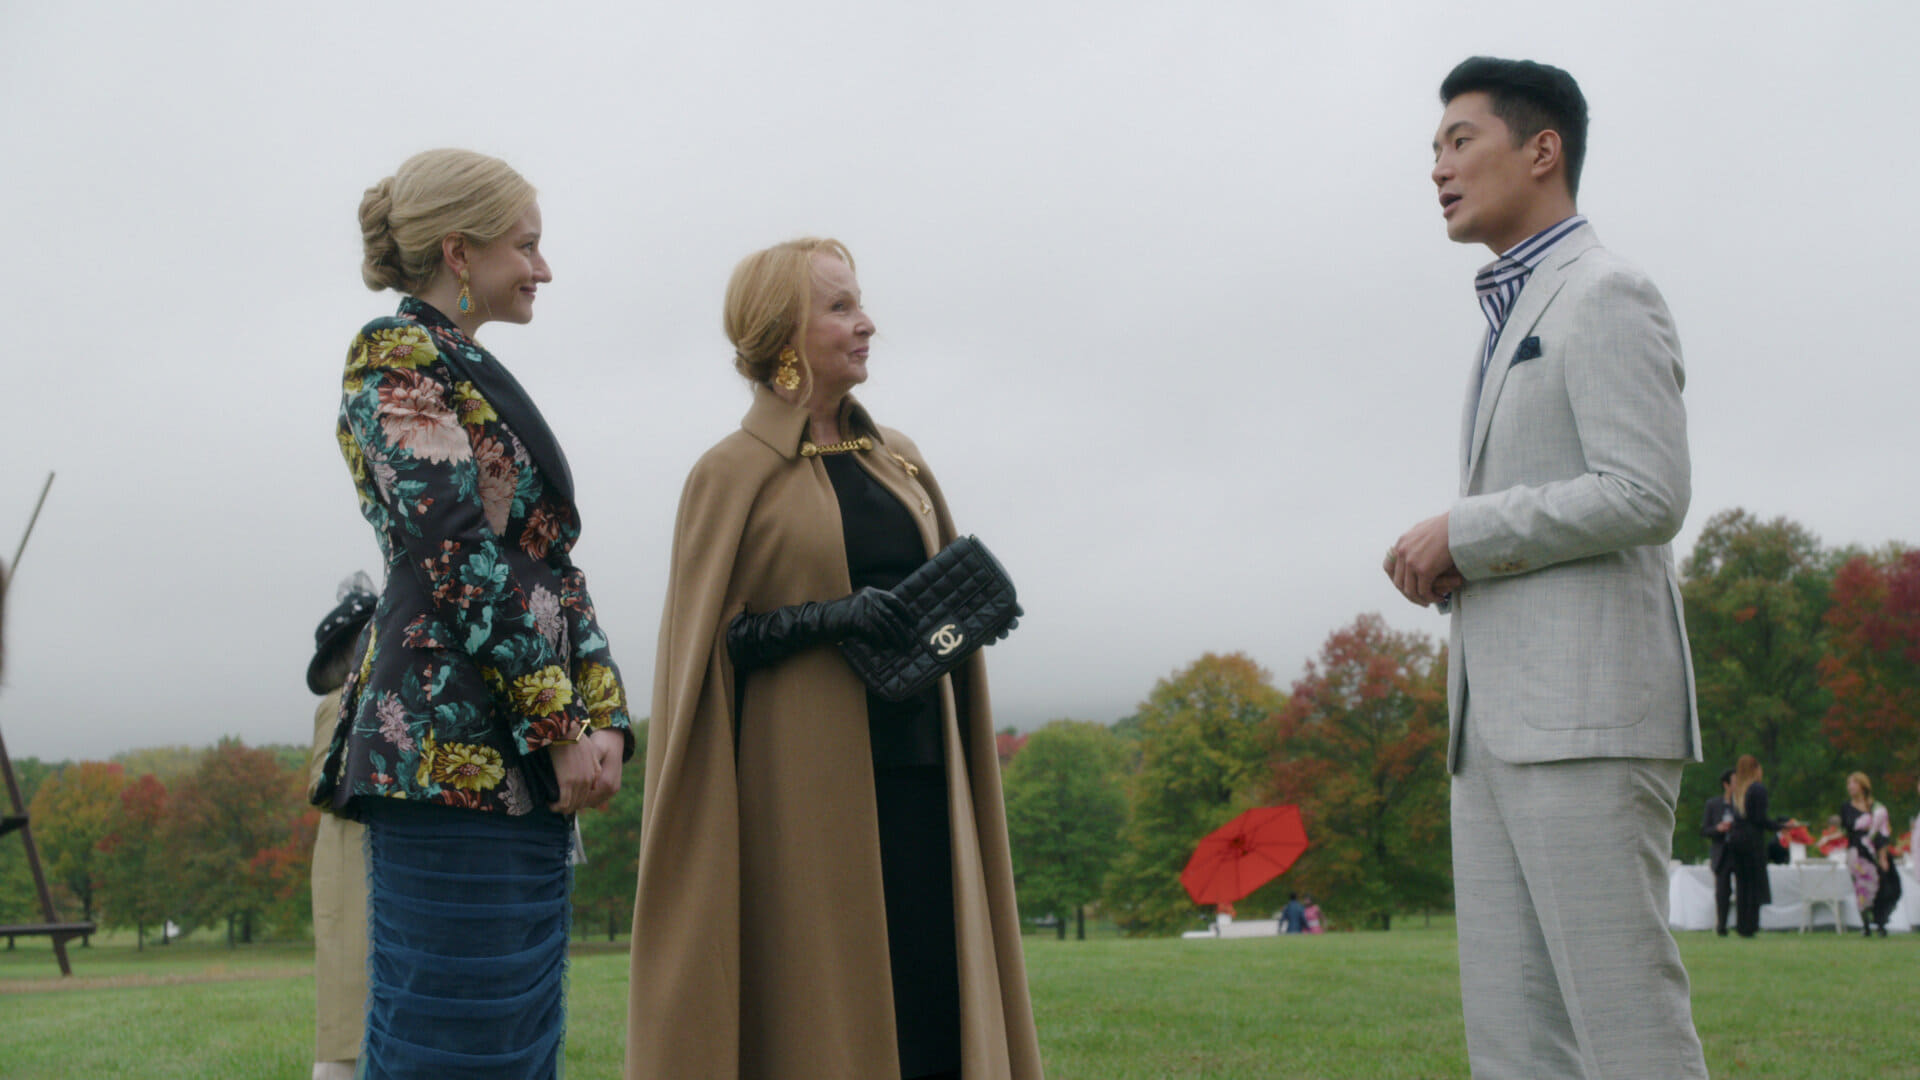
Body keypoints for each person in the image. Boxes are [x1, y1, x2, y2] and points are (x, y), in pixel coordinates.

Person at [626, 238, 1042, 1080]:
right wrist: (825, 618)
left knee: (932, 992)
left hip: (923, 765)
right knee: (824, 1000)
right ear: (784, 332)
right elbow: (711, 646)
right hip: (801, 787)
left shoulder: (899, 457)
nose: (866, 323)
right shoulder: (730, 474)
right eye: (841, 307)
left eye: (860, 303)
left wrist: (960, 620)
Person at [1383, 57, 1709, 1079]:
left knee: (1627, 1031)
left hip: (1589, 725)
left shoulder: (1607, 292)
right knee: (1515, 1044)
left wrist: (1466, 532)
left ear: (1542, 150)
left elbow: (1648, 492)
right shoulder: (1510, 314)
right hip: (1493, 731)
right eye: (1433, 149)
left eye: (1459, 141)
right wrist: (1462, 559)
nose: (1438, 167)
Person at [317, 148, 634, 1080]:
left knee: (519, 1038)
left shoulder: (470, 366)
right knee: (450, 1039)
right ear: (459, 251)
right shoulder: (394, 354)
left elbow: (550, 563)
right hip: (442, 752)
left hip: (527, 758)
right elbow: (456, 553)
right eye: (526, 246)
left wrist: (605, 717)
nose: (544, 268)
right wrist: (559, 724)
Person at [305, 574, 376, 1080]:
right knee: (346, 998)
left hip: (380, 853)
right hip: (349, 860)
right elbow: (321, 784)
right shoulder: (337, 704)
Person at [1726, 754, 1790, 937]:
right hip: (1752, 840)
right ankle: (1751, 924)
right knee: (1754, 882)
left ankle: (1742, 923)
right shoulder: (1757, 789)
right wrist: (1779, 826)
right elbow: (1759, 818)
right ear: (1755, 769)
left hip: (1737, 839)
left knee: (1742, 884)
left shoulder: (1738, 792)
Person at [1841, 772, 1899, 937]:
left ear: (1862, 786)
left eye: (1854, 783)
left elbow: (1883, 832)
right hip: (1858, 854)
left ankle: (1881, 922)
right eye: (1849, 783)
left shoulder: (1877, 808)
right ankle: (1865, 923)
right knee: (1862, 888)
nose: (1850, 786)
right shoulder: (1847, 807)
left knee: (1884, 886)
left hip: (1876, 851)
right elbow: (1849, 827)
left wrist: (1883, 855)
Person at [1701, 768, 1736, 936]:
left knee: (1743, 890)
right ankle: (1721, 925)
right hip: (1722, 852)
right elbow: (1704, 830)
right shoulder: (1713, 804)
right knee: (1722, 891)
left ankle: (1744, 925)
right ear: (1726, 784)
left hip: (1739, 851)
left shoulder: (1742, 804)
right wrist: (1718, 828)